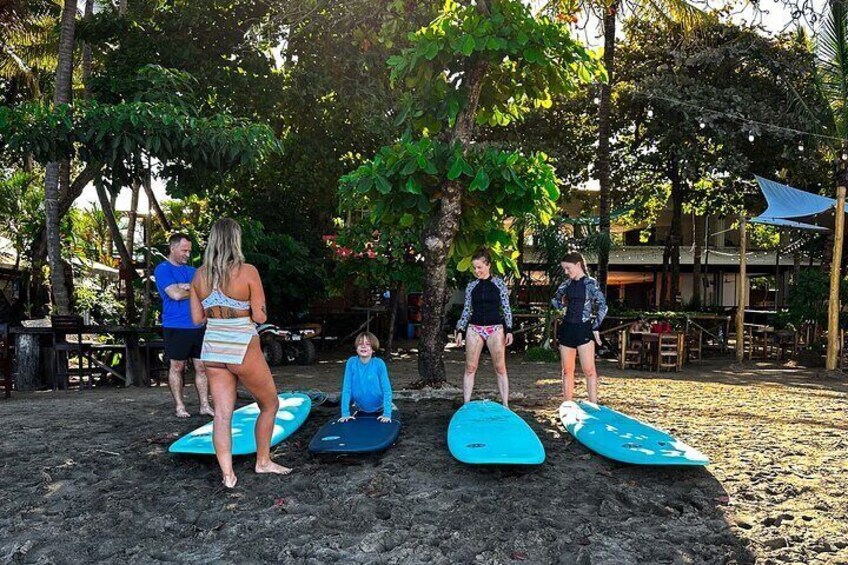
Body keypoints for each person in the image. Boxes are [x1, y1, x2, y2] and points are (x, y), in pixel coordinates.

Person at [190, 218, 290, 488]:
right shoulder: (247, 272)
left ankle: (228, 475)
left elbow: (197, 318)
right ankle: (263, 461)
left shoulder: (199, 275)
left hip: (212, 347)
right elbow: (259, 316)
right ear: (236, 240)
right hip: (241, 344)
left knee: (222, 414)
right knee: (270, 404)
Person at [154, 233, 213, 418]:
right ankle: (180, 406)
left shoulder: (193, 271)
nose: (187, 254)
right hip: (176, 326)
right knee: (177, 366)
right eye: (184, 250)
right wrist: (191, 289)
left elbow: (207, 293)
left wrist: (187, 287)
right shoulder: (163, 269)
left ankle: (205, 405)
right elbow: (175, 295)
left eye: (189, 250)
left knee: (202, 367)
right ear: (172, 248)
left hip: (198, 325)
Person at [454, 248, 513, 408]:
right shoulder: (471, 286)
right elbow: (467, 309)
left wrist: (509, 329)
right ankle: (466, 403)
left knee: (500, 367)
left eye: (479, 267)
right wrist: (460, 329)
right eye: (474, 267)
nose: (476, 271)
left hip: (495, 327)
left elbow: (506, 308)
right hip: (475, 327)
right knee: (470, 367)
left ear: (488, 265)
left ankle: (505, 404)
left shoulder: (499, 284)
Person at [551, 252, 608, 403]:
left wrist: (595, 327)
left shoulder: (590, 283)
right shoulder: (566, 284)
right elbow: (554, 300)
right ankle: (568, 404)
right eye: (564, 269)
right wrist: (562, 305)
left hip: (584, 328)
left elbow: (603, 305)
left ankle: (594, 404)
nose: (566, 272)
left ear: (578, 265)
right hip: (567, 329)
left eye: (568, 268)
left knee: (589, 370)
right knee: (567, 371)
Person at [338, 332, 393, 423]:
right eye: (360, 344)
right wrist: (345, 413)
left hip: (380, 408)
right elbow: (346, 389)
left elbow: (387, 390)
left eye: (367, 344)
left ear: (373, 349)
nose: (363, 346)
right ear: (356, 348)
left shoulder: (379, 363)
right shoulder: (351, 362)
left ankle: (390, 405)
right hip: (360, 408)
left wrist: (387, 414)